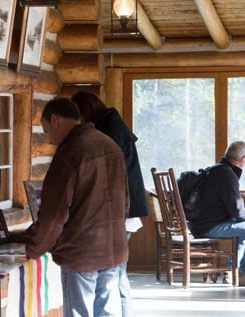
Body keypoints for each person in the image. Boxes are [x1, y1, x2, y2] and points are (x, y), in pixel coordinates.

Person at [24, 98, 129, 316]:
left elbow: (54, 214)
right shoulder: (110, 145)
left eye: (47, 132)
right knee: (108, 312)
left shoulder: (70, 153)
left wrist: (35, 248)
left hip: (81, 251)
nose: (50, 140)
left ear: (55, 120)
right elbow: (125, 200)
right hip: (112, 247)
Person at [72, 91, 149, 316]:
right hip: (125, 210)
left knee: (112, 278)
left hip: (120, 212)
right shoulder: (113, 126)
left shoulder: (110, 133)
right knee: (117, 275)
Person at [188, 140, 245, 287]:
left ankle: (231, 271)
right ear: (243, 159)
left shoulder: (215, 169)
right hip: (209, 227)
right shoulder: (226, 174)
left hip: (199, 224)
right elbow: (237, 211)